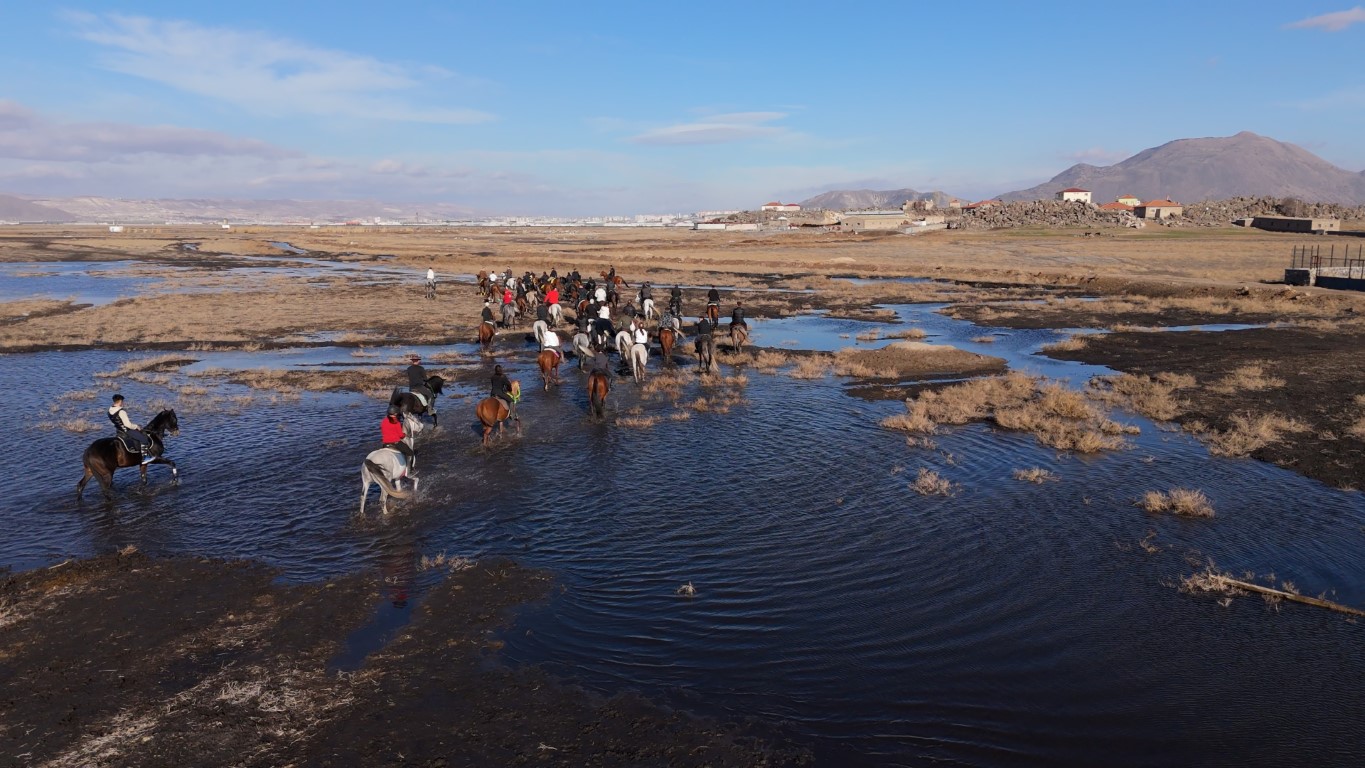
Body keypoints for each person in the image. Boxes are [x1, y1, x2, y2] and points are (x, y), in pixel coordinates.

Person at [107, 394, 153, 463]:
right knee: (144, 439)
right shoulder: (121, 411)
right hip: (126, 431)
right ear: (120, 401)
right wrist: (136, 426)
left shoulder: (109, 411)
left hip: (118, 430)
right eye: (122, 401)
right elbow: (128, 425)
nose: (123, 403)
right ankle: (145, 458)